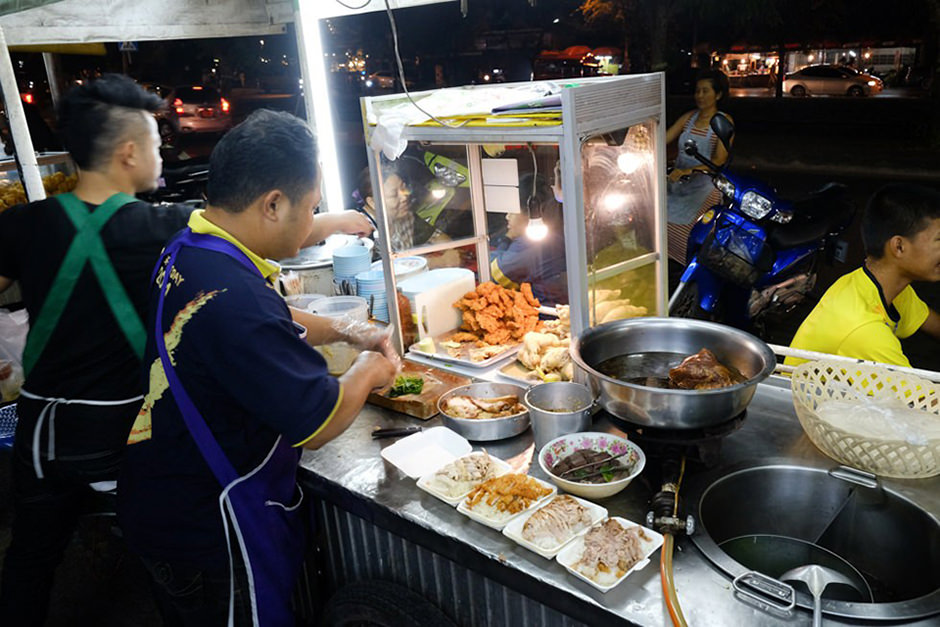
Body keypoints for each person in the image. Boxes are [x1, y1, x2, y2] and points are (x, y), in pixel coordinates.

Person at [116, 109, 399, 626]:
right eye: (311, 210)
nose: (313, 226)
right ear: (273, 204)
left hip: (157, 491)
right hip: (205, 524)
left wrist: (343, 328)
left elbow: (266, 316)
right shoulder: (234, 296)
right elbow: (320, 420)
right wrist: (369, 368)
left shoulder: (191, 245)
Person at [0, 74, 192, 626]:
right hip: (117, 436)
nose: (162, 153)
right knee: (165, 553)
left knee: (31, 560)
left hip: (40, 435)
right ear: (129, 152)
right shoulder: (161, 226)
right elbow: (251, 227)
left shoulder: (23, 224)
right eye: (157, 143)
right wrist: (340, 219)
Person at [787, 184, 940, 368]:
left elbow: (934, 325)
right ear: (899, 247)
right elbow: (921, 398)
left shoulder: (878, 286)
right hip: (802, 397)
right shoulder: (864, 330)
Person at [664, 69, 733, 265]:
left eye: (705, 91)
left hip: (704, 182)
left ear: (718, 95)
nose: (699, 96)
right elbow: (664, 138)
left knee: (690, 229)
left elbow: (719, 160)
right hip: (677, 178)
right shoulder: (689, 118)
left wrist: (689, 171)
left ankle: (687, 264)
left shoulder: (723, 121)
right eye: (697, 91)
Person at [490, 173, 567, 305]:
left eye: (512, 211)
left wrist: (507, 238)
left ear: (532, 212)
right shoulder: (556, 232)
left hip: (549, 316)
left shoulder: (534, 244)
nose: (507, 216)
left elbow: (493, 274)